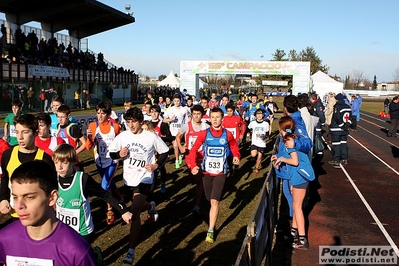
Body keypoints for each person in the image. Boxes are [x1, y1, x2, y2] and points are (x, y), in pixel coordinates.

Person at [0, 160, 97, 265]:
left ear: (52, 198)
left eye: (29, 197)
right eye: (15, 197)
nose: (18, 206)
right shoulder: (4, 239)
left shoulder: (77, 252)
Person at [108, 107, 169, 265]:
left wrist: (156, 166)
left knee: (134, 213)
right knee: (137, 206)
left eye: (134, 122)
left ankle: (131, 251)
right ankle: (151, 206)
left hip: (145, 179)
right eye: (128, 122)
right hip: (128, 180)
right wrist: (118, 155)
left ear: (141, 121)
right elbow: (111, 153)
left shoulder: (151, 137)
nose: (131, 125)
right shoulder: (123, 136)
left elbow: (164, 152)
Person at [53, 144, 132, 241]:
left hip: (82, 232)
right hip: (63, 229)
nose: (59, 167)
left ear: (73, 162)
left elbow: (105, 194)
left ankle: (94, 255)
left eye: (64, 163)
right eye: (56, 163)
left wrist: (123, 211)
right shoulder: (53, 178)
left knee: (79, 255)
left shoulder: (82, 179)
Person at [186, 107, 240, 243]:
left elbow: (234, 146)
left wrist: (236, 156)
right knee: (209, 197)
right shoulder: (204, 134)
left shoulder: (227, 134)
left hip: (221, 171)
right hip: (206, 172)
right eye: (213, 117)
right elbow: (192, 151)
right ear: (209, 119)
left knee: (215, 200)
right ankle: (211, 217)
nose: (215, 120)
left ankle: (211, 230)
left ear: (222, 119)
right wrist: (193, 166)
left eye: (218, 117)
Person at [271, 116, 315, 250]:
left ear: (281, 128)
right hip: (297, 176)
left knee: (297, 207)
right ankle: (295, 231)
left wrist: (282, 158)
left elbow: (294, 161)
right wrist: (279, 157)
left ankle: (302, 239)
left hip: (299, 177)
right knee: (297, 206)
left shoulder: (288, 140)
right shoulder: (293, 137)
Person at [0, 114, 54, 218]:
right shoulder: (8, 155)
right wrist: (3, 199)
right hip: (15, 215)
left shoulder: (45, 159)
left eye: (25, 132)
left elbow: (51, 188)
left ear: (35, 133)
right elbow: (5, 178)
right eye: (17, 132)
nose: (20, 137)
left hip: (38, 216)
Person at [86, 102, 124, 225]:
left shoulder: (115, 126)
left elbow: (121, 141)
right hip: (99, 162)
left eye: (103, 113)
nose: (100, 116)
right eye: (98, 113)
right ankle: (120, 198)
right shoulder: (93, 126)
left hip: (112, 161)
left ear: (108, 114)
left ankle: (110, 210)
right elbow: (88, 147)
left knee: (104, 185)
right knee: (110, 183)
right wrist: (89, 138)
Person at [176, 105, 210, 215]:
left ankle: (197, 205)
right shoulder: (187, 126)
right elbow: (178, 136)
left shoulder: (205, 126)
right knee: (193, 178)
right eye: (194, 114)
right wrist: (181, 146)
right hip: (190, 156)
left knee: (199, 179)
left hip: (202, 156)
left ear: (202, 115)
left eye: (198, 114)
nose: (196, 116)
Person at [149, 104, 174, 193]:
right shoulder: (147, 124)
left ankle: (162, 183)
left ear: (159, 113)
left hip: (161, 151)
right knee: (152, 170)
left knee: (161, 168)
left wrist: (160, 138)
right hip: (151, 152)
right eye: (152, 112)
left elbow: (170, 137)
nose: (154, 114)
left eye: (155, 112)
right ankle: (151, 187)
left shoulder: (163, 124)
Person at [163, 94, 191, 169]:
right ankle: (179, 157)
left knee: (175, 145)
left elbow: (189, 116)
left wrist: (188, 122)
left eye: (178, 101)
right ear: (173, 101)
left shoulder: (184, 109)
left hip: (181, 130)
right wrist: (170, 120)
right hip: (172, 130)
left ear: (180, 101)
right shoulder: (170, 110)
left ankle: (176, 160)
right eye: (175, 101)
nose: (176, 102)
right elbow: (164, 120)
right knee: (176, 147)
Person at [328, 93, 352, 166]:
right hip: (345, 129)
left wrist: (341, 125)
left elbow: (337, 117)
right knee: (344, 143)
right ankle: (344, 158)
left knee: (336, 144)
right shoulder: (348, 107)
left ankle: (336, 159)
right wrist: (347, 125)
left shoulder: (337, 107)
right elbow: (350, 117)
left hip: (336, 129)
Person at [247, 108, 269, 174]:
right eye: (257, 114)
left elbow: (267, 133)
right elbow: (248, 129)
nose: (259, 115)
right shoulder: (253, 123)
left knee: (260, 156)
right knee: (253, 155)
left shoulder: (266, 124)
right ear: (255, 115)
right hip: (254, 142)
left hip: (262, 143)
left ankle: (256, 168)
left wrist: (265, 137)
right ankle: (254, 158)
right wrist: (248, 134)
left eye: (260, 114)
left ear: (263, 115)